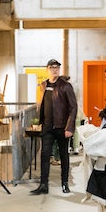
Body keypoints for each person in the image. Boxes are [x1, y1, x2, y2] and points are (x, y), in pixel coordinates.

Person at [31, 59, 77, 195]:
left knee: (64, 156)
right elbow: (41, 104)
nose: (55, 70)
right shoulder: (43, 85)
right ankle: (43, 185)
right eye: (52, 68)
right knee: (44, 156)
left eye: (57, 67)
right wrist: (38, 122)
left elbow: (73, 107)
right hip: (47, 127)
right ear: (47, 69)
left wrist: (69, 127)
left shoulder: (65, 86)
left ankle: (65, 183)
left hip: (62, 127)